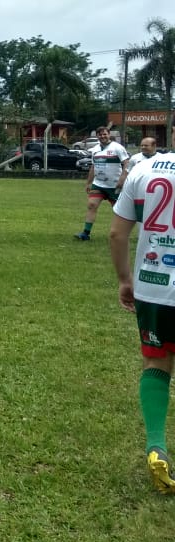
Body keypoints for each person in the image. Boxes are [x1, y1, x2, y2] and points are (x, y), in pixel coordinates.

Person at [109, 150, 175, 492]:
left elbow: (118, 234)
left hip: (154, 286)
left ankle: (156, 445)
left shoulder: (144, 169)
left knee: (156, 363)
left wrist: (124, 280)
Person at [75, 126, 129, 241]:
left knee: (119, 210)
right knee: (91, 205)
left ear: (109, 134)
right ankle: (85, 233)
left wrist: (122, 179)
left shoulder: (117, 147)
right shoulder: (95, 149)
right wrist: (89, 182)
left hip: (114, 185)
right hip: (98, 184)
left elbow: (127, 163)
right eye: (100, 134)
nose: (102, 136)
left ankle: (122, 233)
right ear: (97, 136)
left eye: (105, 134)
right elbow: (93, 166)